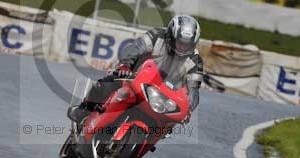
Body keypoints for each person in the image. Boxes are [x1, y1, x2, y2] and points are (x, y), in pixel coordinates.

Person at [68, 15, 204, 125]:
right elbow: (135, 47)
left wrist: (189, 110)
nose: (181, 47)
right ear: (171, 36)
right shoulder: (157, 35)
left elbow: (193, 90)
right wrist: (125, 65)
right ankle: (84, 109)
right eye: (179, 42)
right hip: (135, 75)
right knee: (109, 82)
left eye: (186, 45)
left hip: (164, 95)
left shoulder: (195, 61)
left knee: (170, 123)